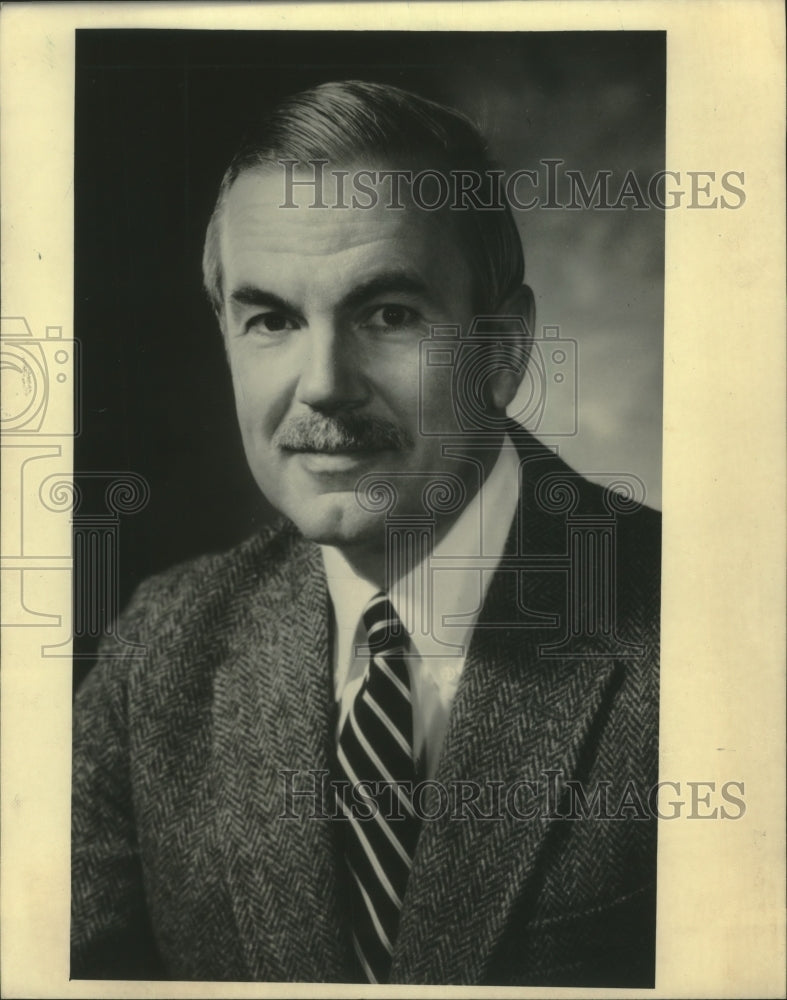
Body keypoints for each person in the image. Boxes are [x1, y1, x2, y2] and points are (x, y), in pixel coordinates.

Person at [71, 80, 660, 987]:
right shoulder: (158, 649)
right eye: (270, 319)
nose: (322, 386)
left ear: (501, 351)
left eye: (388, 315)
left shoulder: (711, 632)